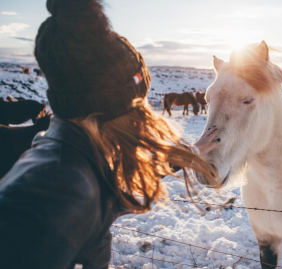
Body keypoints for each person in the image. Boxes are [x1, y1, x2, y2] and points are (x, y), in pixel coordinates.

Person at [0, 0, 218, 268]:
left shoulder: (73, 148)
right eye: (140, 104)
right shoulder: (56, 191)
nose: (146, 115)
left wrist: (191, 153)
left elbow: (119, 169)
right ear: (117, 108)